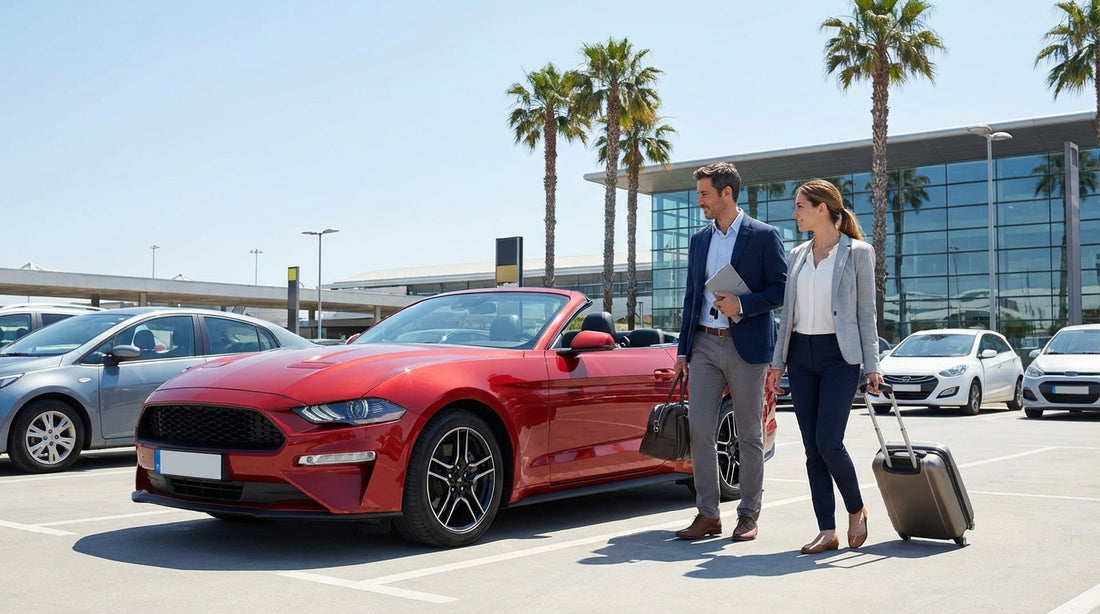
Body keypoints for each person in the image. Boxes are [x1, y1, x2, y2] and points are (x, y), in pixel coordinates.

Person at [766, 179, 883, 555]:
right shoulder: (797, 254)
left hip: (839, 357)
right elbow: (788, 316)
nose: (795, 213)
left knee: (828, 442)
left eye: (800, 206)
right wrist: (777, 363)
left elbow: (866, 314)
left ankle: (856, 509)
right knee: (811, 449)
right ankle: (826, 530)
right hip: (801, 356)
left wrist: (872, 366)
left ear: (822, 209)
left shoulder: (859, 253)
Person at [673, 161, 787, 541]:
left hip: (747, 346)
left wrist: (743, 305)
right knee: (700, 430)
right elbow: (691, 297)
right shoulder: (699, 240)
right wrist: (682, 350)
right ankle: (708, 515)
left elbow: (782, 290)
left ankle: (749, 515)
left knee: (749, 433)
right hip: (704, 343)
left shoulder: (764, 236)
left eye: (705, 193)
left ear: (727, 193)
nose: (699, 200)